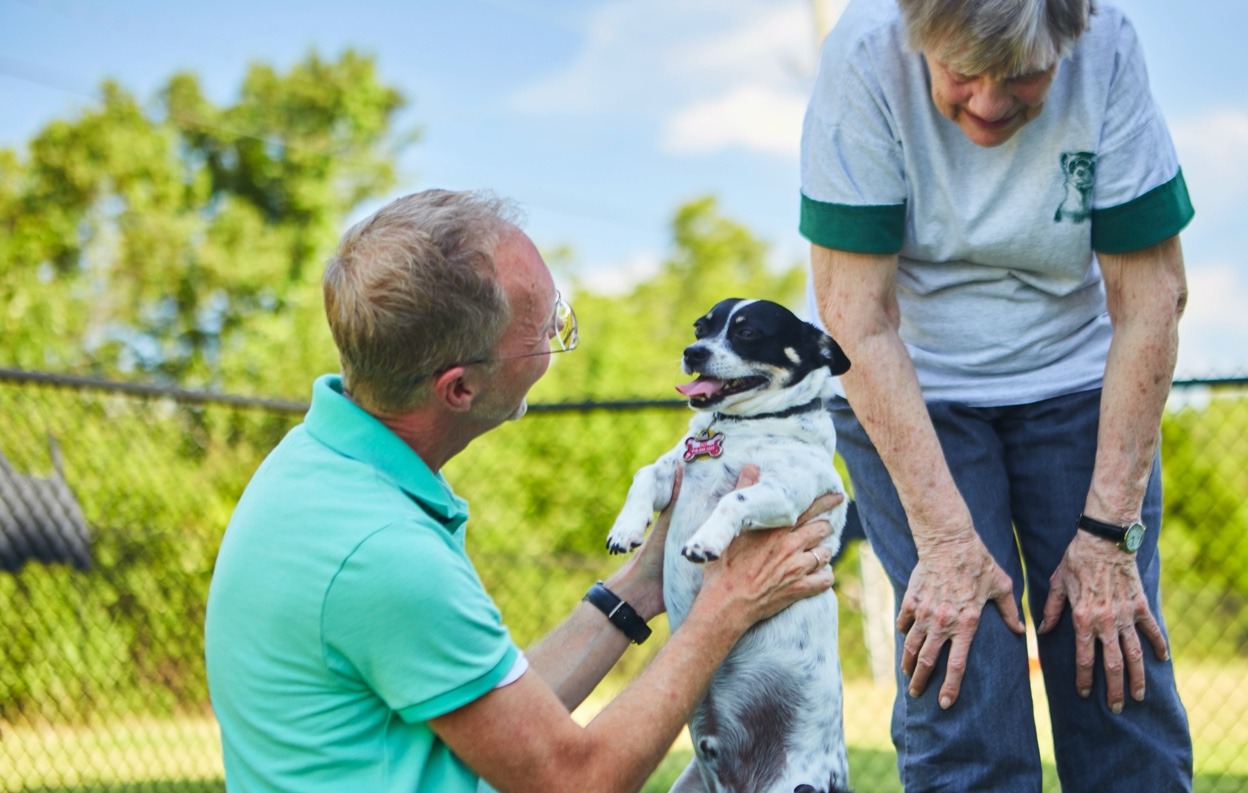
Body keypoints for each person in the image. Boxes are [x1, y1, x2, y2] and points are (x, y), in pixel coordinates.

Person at [204, 188, 840, 793]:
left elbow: (503, 723)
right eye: (545, 331)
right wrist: (726, 607)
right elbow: (575, 781)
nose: (557, 343)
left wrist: (643, 584)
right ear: (460, 388)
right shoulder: (382, 553)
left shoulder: (320, 471)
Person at [799, 0, 1194, 790]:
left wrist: (1109, 533)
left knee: (1113, 663)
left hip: (1077, 381)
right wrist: (946, 544)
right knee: (963, 679)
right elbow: (857, 319)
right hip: (911, 381)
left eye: (1021, 75)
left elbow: (1150, 298)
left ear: (1071, 31)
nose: (986, 102)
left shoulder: (1108, 43)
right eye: (960, 73)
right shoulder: (865, 49)